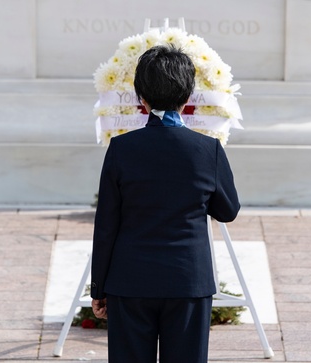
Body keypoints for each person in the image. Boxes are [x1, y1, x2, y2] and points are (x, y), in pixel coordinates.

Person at [90, 44, 241, 363]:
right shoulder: (207, 151)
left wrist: (99, 288)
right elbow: (228, 210)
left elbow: (106, 225)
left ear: (139, 98)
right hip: (188, 281)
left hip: (130, 281)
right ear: (188, 98)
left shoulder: (121, 149)